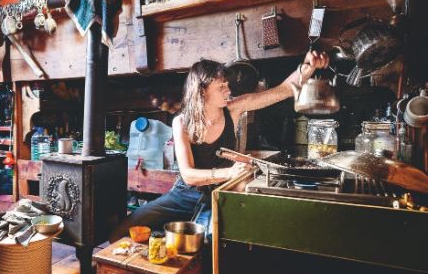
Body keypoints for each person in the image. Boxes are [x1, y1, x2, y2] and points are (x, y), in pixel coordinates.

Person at [110, 51, 329, 242]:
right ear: (202, 91)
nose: (228, 90)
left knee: (209, 242)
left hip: (220, 192)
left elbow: (282, 90)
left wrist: (307, 67)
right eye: (221, 87)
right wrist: (229, 172)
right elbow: (188, 175)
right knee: (121, 232)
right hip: (183, 194)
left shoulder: (233, 109)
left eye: (226, 85)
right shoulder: (182, 122)